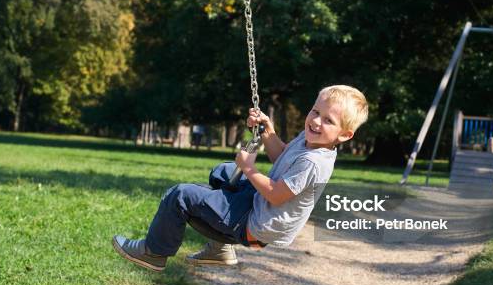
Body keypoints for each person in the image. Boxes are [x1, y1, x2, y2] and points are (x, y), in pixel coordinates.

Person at [112, 85, 369, 271]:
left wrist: (249, 169)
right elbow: (281, 156)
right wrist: (268, 132)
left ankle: (153, 253)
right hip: (259, 204)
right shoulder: (310, 140)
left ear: (344, 135)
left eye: (328, 120)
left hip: (257, 224)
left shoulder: (314, 162)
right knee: (222, 172)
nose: (316, 121)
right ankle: (219, 249)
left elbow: (277, 195)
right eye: (315, 112)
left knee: (180, 195)